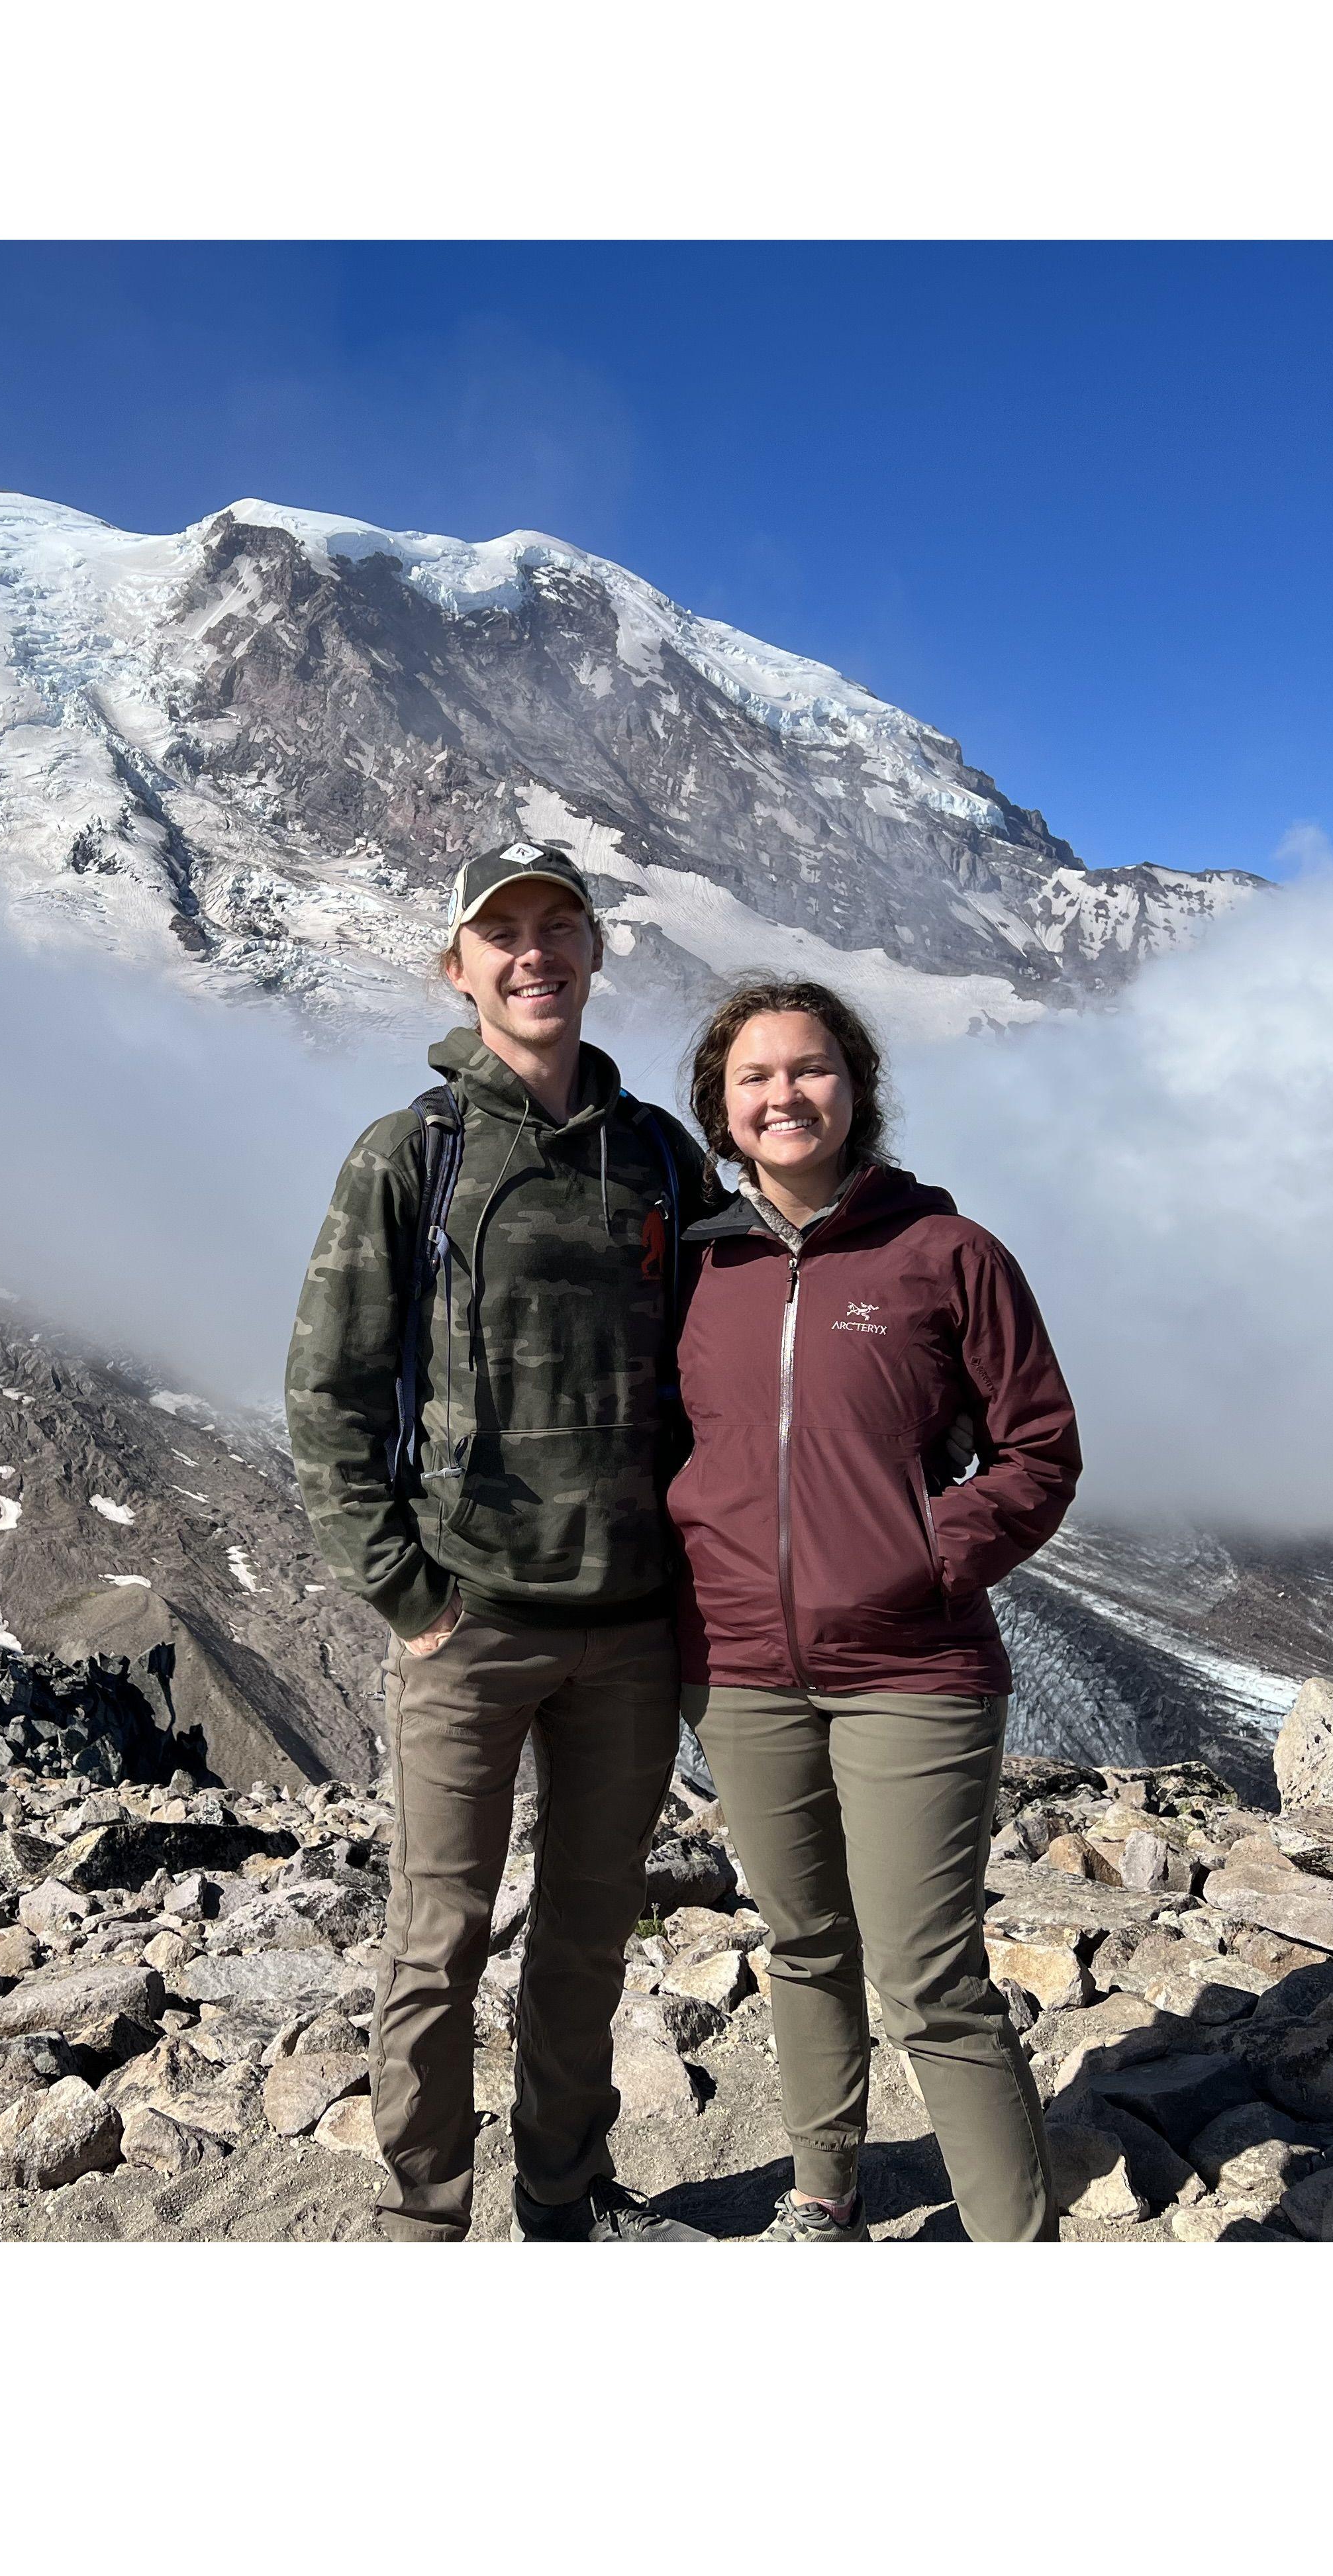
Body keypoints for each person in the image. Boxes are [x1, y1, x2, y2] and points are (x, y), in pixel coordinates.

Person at [286, 839, 722, 2243]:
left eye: (559, 928)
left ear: (596, 954)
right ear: (458, 966)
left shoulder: (659, 1154)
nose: (534, 954)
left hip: (631, 1624)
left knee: (590, 1939)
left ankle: (564, 2198)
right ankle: (423, 2218)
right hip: (471, 1623)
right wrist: (410, 1601)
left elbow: (727, 1362)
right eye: (503, 933)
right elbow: (329, 1387)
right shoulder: (410, 1154)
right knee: (437, 1940)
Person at [668, 979, 1080, 2242]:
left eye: (810, 1070)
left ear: (857, 1088)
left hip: (915, 1666)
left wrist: (928, 1554)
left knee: (928, 1972)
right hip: (737, 1668)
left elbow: (1040, 1450)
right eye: (755, 1078)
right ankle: (821, 2200)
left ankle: (1015, 2241)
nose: (784, 1094)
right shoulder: (691, 1265)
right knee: (799, 1942)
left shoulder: (948, 1256)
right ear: (721, 1111)